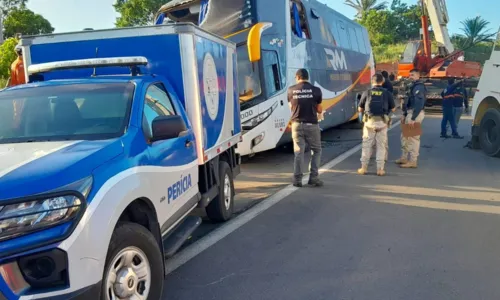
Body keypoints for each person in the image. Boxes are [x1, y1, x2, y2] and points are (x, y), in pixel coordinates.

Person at [288, 69, 323, 187]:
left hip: (296, 125)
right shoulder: (316, 90)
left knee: (299, 152)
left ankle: (297, 180)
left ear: (297, 77)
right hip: (311, 125)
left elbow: (291, 107)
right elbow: (319, 109)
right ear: (307, 77)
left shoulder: (291, 90)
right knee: (316, 150)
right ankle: (314, 178)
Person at [358, 73, 396, 176]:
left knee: (366, 145)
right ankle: (380, 169)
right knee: (381, 146)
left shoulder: (367, 92)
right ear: (382, 82)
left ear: (372, 81)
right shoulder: (387, 93)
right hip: (382, 123)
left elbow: (360, 109)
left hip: (369, 123)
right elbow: (393, 108)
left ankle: (363, 168)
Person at [396, 69, 426, 168]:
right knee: (405, 137)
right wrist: (404, 114)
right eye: (410, 75)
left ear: (418, 76)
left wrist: (413, 118)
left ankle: (413, 161)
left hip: (415, 114)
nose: (410, 77)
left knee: (413, 138)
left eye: (412, 75)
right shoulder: (412, 86)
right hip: (409, 113)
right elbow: (407, 101)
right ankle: (404, 157)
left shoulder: (419, 87)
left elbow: (419, 103)